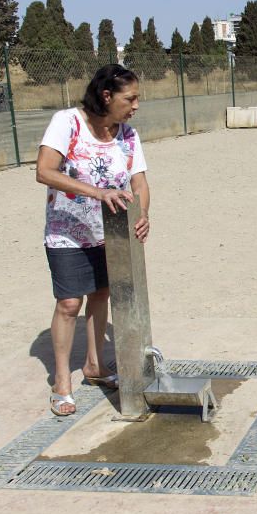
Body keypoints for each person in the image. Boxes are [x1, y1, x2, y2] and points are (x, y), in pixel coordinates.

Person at [35, 64, 150, 416]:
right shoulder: (67, 122)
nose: (135, 106)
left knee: (101, 296)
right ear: (106, 95)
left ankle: (95, 367)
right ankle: (61, 382)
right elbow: (44, 171)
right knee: (69, 304)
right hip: (66, 232)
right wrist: (98, 193)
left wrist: (142, 215)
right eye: (129, 98)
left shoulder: (128, 135)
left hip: (110, 235)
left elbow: (140, 183)